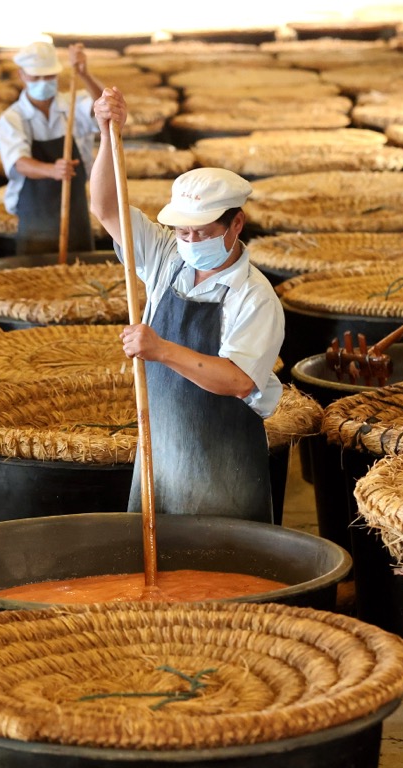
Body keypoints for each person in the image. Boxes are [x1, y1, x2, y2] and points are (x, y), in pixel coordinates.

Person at [89, 87, 285, 524]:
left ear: (237, 223)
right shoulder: (166, 259)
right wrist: (106, 133)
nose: (190, 242)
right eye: (182, 232)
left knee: (225, 570)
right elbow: (105, 207)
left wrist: (161, 350)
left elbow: (236, 380)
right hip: (161, 454)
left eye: (201, 232)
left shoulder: (254, 296)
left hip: (225, 465)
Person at [0, 41, 103, 256]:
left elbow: (106, 106)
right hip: (35, 212)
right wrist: (51, 170)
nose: (43, 82)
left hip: (75, 207)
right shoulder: (13, 118)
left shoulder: (73, 104)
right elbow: (19, 162)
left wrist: (85, 74)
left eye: (49, 76)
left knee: (79, 269)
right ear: (22, 75)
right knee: (38, 271)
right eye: (36, 77)